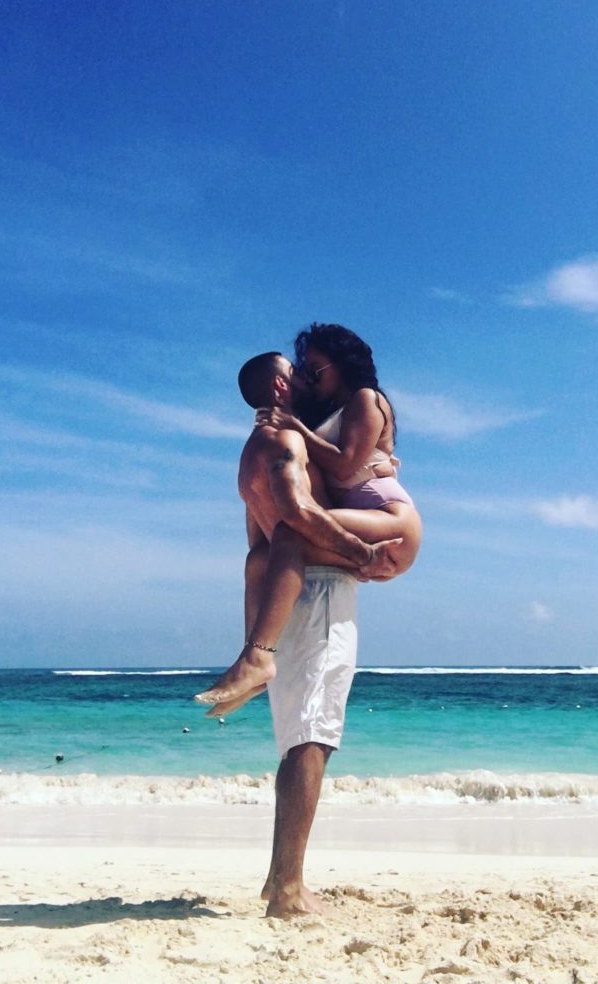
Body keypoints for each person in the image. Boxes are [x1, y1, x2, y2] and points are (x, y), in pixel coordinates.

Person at [206, 351, 402, 916]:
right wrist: (360, 553)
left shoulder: (252, 451)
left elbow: (258, 548)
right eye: (297, 373)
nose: (308, 381)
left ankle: (278, 879)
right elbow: (295, 511)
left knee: (298, 738)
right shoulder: (286, 440)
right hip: (318, 593)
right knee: (313, 737)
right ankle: (289, 890)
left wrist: (257, 632)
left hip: (285, 596)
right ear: (278, 386)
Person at [196, 324, 422, 715]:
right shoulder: (320, 414)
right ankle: (252, 666)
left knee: (289, 534)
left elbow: (346, 463)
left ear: (343, 364)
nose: (309, 379)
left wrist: (294, 425)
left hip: (390, 518)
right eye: (304, 371)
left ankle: (258, 656)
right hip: (355, 518)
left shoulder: (365, 398)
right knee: (259, 560)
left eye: (315, 370)